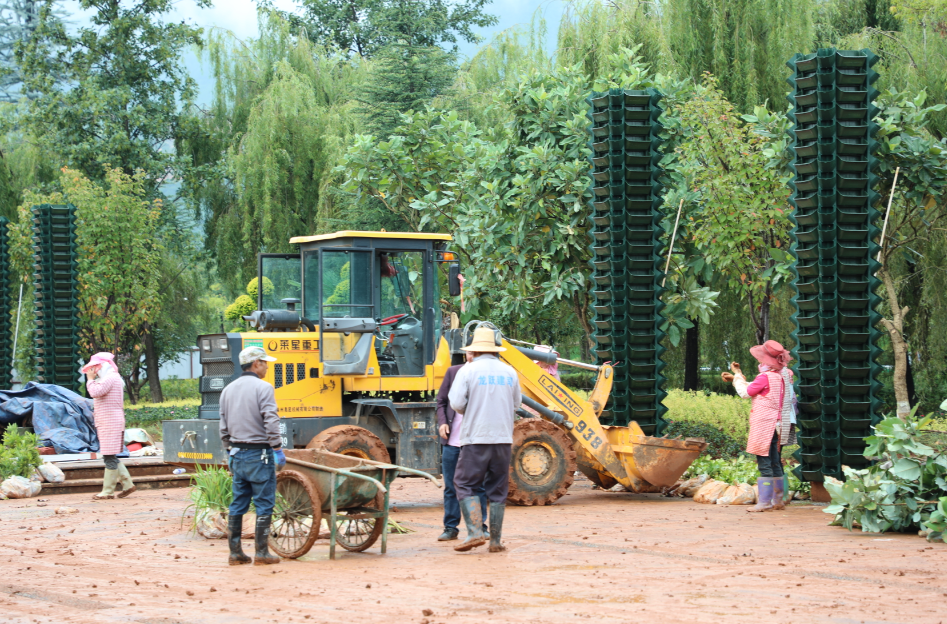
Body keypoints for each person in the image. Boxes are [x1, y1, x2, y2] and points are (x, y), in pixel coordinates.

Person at [448, 326, 521, 553]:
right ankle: (496, 541)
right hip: (502, 439)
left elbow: (457, 403)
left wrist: (474, 409)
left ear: (475, 350)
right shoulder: (509, 372)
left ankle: (475, 532)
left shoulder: (468, 371)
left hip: (476, 438)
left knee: (465, 483)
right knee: (498, 489)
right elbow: (516, 404)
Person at [219, 346, 286, 566]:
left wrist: (229, 449)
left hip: (237, 454)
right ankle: (262, 553)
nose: (267, 366)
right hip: (260, 454)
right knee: (264, 504)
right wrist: (277, 448)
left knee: (238, 503)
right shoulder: (263, 387)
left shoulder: (228, 389)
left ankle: (235, 552)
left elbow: (223, 426)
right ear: (256, 363)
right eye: (265, 362)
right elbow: (271, 420)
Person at [722, 340, 796, 512]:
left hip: (765, 423)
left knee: (764, 461)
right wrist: (737, 376)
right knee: (776, 461)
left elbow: (745, 393)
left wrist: (738, 376)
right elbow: (760, 389)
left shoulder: (764, 377)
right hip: (780, 423)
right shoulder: (784, 375)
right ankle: (778, 501)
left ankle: (764, 502)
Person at [435, 351, 488, 542]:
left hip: (475, 442)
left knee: (479, 486)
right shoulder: (453, 372)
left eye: (477, 353)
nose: (472, 356)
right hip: (452, 441)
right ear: (466, 353)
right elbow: (441, 401)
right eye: (470, 352)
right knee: (451, 486)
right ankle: (451, 528)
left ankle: (481, 526)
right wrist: (443, 422)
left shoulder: (485, 378)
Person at [83, 353, 135, 501]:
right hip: (108, 421)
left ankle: (108, 491)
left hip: (110, 422)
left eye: (95, 368)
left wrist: (90, 380)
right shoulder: (112, 377)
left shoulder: (110, 378)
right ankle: (127, 484)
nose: (95, 371)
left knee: (108, 455)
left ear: (103, 365)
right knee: (109, 454)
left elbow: (94, 392)